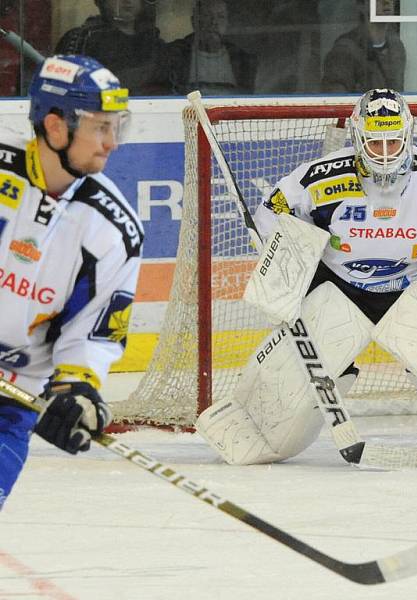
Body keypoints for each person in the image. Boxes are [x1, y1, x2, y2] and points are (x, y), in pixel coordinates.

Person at [195, 88, 417, 469]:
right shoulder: (320, 179)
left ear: (408, 135)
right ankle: (260, 418)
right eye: (375, 143)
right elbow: (272, 214)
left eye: (393, 141)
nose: (386, 153)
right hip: (337, 291)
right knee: (276, 414)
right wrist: (284, 259)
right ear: (358, 138)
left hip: (415, 292)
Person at [0, 55, 144, 509]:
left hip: (10, 398)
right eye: (101, 127)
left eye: (117, 126)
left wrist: (76, 392)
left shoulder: (113, 230)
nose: (112, 143)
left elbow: (93, 334)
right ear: (56, 126)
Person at [55, 0, 167, 95]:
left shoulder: (153, 43)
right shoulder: (82, 38)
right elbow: (63, 90)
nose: (127, 1)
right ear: (100, 2)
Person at [164, 0, 256, 96]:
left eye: (221, 16)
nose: (214, 22)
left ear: (227, 23)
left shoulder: (243, 59)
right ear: (194, 21)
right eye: (207, 15)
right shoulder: (173, 54)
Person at [321, 0, 405, 93]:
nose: (386, 2)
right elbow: (336, 101)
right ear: (361, 5)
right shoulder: (345, 50)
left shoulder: (396, 48)